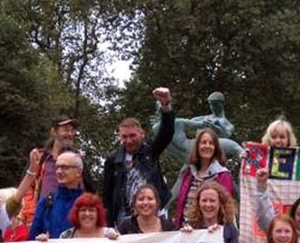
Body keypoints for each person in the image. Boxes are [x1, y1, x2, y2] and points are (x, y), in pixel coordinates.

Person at [102, 87, 176, 226]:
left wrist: (166, 105)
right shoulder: (113, 160)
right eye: (124, 136)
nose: (129, 140)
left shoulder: (150, 151)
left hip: (154, 216)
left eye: (132, 136)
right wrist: (109, 226)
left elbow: (166, 133)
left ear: (142, 134)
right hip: (124, 221)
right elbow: (107, 196)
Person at [16, 114, 94, 224]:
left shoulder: (77, 159)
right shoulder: (39, 157)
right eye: (66, 130)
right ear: (54, 132)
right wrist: (31, 215)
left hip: (70, 218)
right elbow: (27, 188)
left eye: (72, 131)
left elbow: (89, 190)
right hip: (42, 217)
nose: (70, 134)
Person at [152, 91, 244, 166]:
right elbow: (189, 123)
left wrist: (216, 128)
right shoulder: (203, 118)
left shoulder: (225, 122)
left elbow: (227, 135)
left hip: (211, 155)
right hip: (193, 151)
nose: (213, 107)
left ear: (221, 104)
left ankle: (246, 168)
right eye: (211, 104)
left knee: (234, 147)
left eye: (215, 104)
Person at [168, 126, 236, 227]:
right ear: (197, 146)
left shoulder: (222, 175)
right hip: (185, 230)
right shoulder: (189, 173)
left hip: (210, 232)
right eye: (203, 142)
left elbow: (225, 208)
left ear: (216, 148)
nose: (207, 146)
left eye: (211, 143)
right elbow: (182, 203)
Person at [27, 151, 87, 240]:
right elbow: (32, 239)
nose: (59, 171)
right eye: (57, 167)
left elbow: (98, 235)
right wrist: (40, 240)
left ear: (78, 171)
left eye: (64, 167)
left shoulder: (88, 203)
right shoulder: (46, 202)